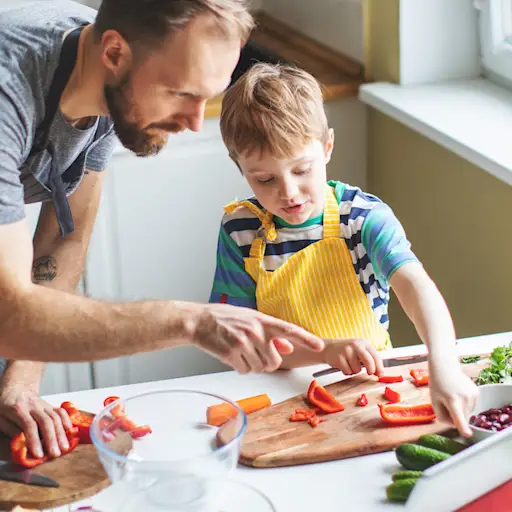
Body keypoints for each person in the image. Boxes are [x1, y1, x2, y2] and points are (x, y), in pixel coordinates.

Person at [0, 2, 325, 463]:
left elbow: (63, 238)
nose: (195, 122)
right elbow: (10, 313)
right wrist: (193, 321)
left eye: (206, 97)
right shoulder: (8, 89)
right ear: (114, 53)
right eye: (180, 93)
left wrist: (20, 382)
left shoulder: (111, 76)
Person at [209, 63, 478, 437]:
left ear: (328, 147)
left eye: (302, 169)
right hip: (278, 397)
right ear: (239, 167)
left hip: (372, 388)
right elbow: (239, 340)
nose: (288, 192)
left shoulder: (363, 218)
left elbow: (416, 289)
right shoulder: (239, 232)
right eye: (265, 178)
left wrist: (444, 365)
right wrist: (325, 351)